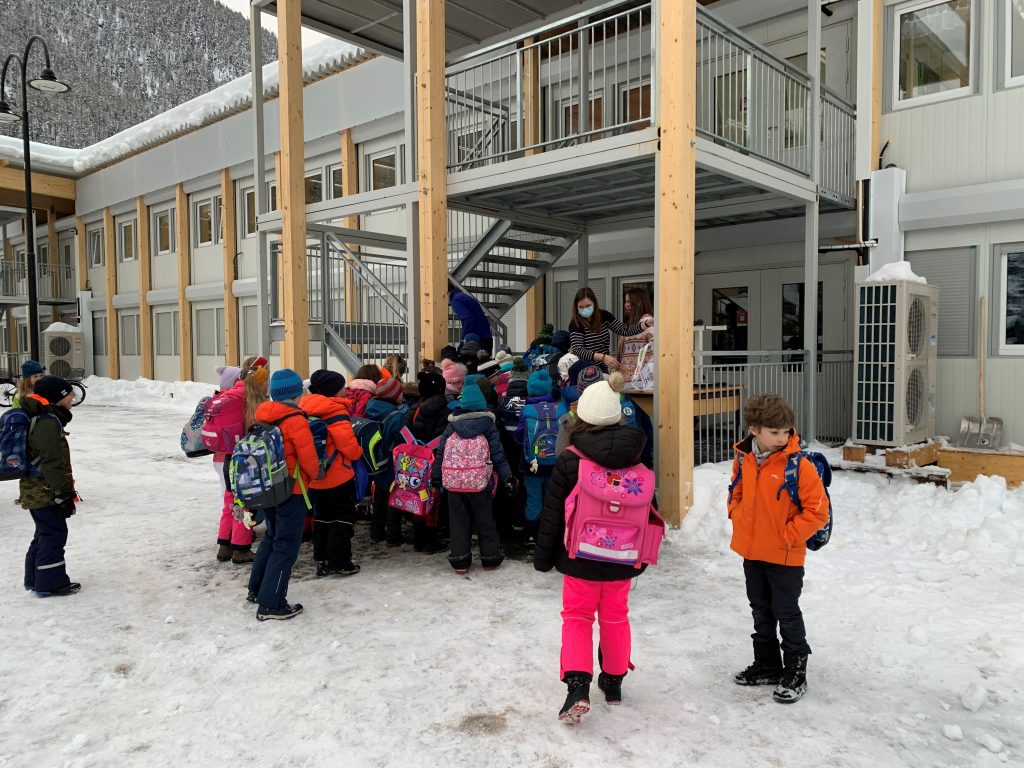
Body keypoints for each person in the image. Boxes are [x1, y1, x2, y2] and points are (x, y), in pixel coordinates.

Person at [533, 371, 648, 722]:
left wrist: (543, 557)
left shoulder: (571, 458)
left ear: (582, 416)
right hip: (623, 557)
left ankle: (577, 686)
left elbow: (553, 512)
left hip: (579, 556)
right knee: (615, 618)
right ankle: (612, 683)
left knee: (578, 618)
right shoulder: (637, 455)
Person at [727, 394, 830, 704]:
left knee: (785, 610)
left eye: (786, 431)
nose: (782, 438)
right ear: (754, 429)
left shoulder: (798, 464)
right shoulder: (744, 456)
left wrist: (788, 536)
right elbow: (736, 488)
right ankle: (768, 663)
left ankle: (796, 668)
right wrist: (736, 512)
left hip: (785, 555)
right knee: (760, 608)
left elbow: (817, 510)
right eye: (775, 433)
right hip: (752, 550)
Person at [246, 369, 320, 621]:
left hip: (268, 489)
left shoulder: (263, 415)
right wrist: (316, 475)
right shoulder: (295, 419)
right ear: (296, 393)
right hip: (292, 489)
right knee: (286, 546)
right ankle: (271, 603)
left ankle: (257, 589)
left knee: (272, 538)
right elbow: (308, 458)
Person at [433, 379, 515, 574]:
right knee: (485, 520)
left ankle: (460, 561)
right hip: (481, 483)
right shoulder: (488, 424)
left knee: (459, 523)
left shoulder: (451, 425)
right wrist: (508, 477)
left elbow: (441, 453)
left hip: (454, 485)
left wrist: (437, 477)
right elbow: (498, 455)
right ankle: (490, 558)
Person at [301, 370, 364, 577]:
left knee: (322, 518)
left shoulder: (305, 408)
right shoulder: (335, 411)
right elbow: (349, 448)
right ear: (333, 391)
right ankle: (340, 561)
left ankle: (322, 560)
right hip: (338, 475)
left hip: (315, 476)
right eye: (341, 387)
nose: (345, 390)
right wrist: (359, 451)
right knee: (343, 518)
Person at [21, 376, 80, 597]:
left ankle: (35, 579)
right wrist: (63, 493)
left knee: (45, 533)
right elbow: (51, 462)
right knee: (53, 534)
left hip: (37, 489)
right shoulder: (47, 422)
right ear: (58, 398)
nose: (73, 397)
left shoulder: (47, 419)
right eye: (68, 394)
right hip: (43, 490)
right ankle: (50, 583)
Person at [514, 369, 558, 549]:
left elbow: (518, 436)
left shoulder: (528, 409)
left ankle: (533, 535)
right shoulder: (558, 408)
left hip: (532, 463)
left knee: (533, 498)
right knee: (552, 497)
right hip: (555, 463)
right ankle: (551, 533)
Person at [365, 376, 409, 545]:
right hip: (391, 461)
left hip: (375, 460)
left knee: (380, 497)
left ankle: (376, 531)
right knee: (394, 497)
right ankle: (393, 535)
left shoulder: (370, 407)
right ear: (393, 395)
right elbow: (399, 439)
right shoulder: (396, 415)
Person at [568, 287, 651, 371]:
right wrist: (603, 357)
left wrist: (645, 325)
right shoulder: (576, 323)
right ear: (576, 307)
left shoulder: (604, 316)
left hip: (602, 369)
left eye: (588, 306)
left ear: (595, 303)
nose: (585, 309)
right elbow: (578, 350)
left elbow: (624, 330)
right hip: (585, 371)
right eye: (581, 307)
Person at [617, 287, 655, 385]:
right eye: (625, 302)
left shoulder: (648, 322)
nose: (626, 305)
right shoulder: (633, 325)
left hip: (641, 383)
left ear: (638, 303)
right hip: (627, 382)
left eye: (629, 302)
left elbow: (658, 347)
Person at [449, 287, 494, 354]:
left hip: (475, 340)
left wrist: (463, 337)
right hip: (486, 336)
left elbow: (468, 318)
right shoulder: (463, 296)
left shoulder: (456, 300)